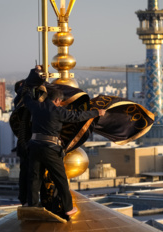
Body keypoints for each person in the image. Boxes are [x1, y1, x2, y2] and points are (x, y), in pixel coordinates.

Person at [23, 67, 106, 219]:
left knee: (34, 177)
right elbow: (78, 116)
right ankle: (68, 208)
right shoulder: (58, 111)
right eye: (60, 102)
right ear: (57, 101)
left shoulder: (36, 106)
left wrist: (34, 74)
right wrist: (96, 113)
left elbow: (26, 92)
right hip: (50, 148)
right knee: (60, 179)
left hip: (34, 146)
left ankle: (32, 204)